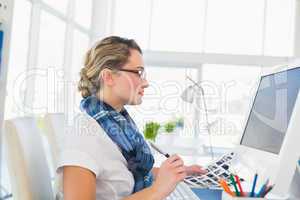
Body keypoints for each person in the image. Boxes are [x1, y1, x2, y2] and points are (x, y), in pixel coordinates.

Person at [57, 36, 206, 200]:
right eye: (138, 72)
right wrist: (157, 191)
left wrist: (174, 174)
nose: (146, 82)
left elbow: (123, 175)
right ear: (108, 77)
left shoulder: (117, 126)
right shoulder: (84, 137)